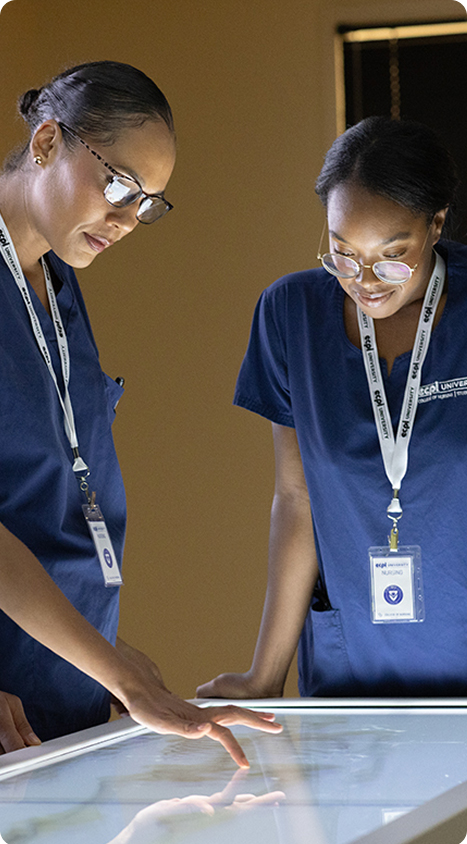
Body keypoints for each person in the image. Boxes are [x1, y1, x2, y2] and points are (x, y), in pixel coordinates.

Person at [0, 60, 282, 763]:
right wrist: (118, 676)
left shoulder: (55, 280)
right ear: (46, 142)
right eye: (121, 186)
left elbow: (46, 499)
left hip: (64, 691)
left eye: (148, 203)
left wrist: (107, 656)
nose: (128, 220)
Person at [197, 115, 467, 702]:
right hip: (351, 672)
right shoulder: (291, 314)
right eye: (343, 254)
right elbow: (296, 499)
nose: (365, 281)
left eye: (392, 256)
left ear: (437, 223)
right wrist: (265, 674)